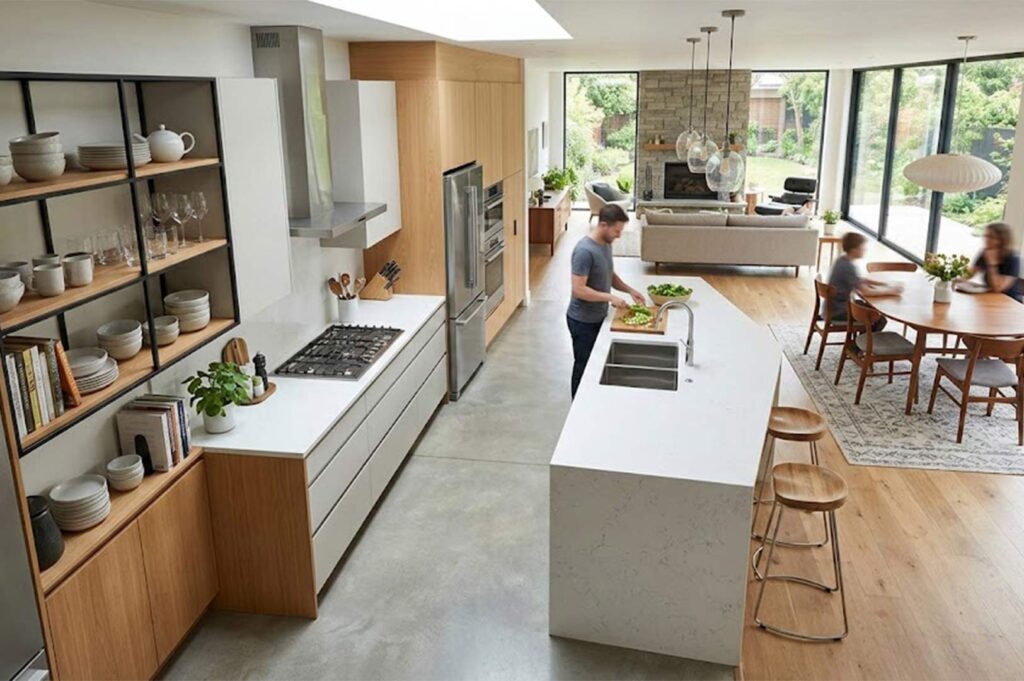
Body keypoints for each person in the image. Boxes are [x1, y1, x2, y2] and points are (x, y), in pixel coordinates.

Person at [566, 204, 645, 398]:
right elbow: (578, 289)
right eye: (617, 230)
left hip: (599, 316)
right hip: (582, 321)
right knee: (583, 365)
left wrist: (629, 290)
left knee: (597, 364)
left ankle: (591, 401)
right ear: (603, 225)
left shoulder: (605, 244)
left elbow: (608, 273)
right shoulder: (584, 251)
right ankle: (577, 406)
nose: (619, 235)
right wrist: (610, 297)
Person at [827, 232, 894, 330]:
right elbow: (866, 292)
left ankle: (861, 341)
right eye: (863, 248)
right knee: (879, 319)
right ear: (854, 250)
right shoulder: (849, 267)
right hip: (839, 312)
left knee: (869, 309)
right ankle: (862, 344)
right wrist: (891, 291)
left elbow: (859, 279)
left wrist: (883, 284)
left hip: (834, 307)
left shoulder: (842, 260)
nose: (865, 250)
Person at [966, 221, 1022, 302]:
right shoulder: (984, 253)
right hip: (990, 297)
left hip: (1009, 301)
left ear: (1002, 240)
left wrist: (992, 264)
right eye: (985, 236)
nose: (986, 240)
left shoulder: (1012, 258)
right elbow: (968, 275)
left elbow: (998, 288)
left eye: (991, 237)